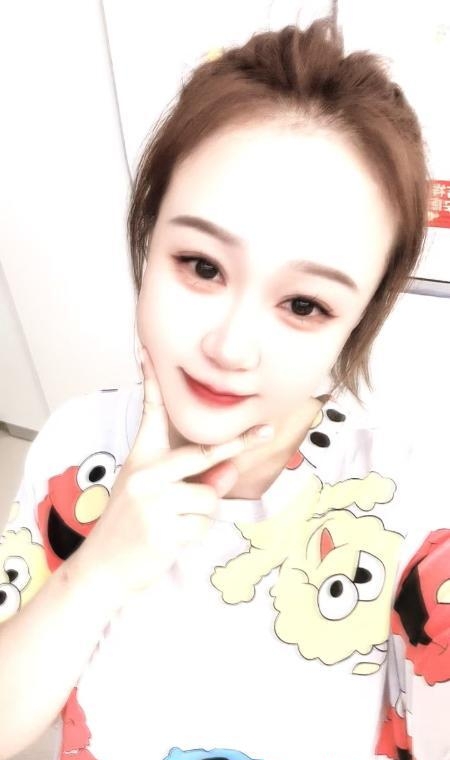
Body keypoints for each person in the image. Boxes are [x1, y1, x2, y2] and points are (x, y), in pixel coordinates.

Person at [0, 14, 445, 760]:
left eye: (303, 305)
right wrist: (97, 571)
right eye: (202, 266)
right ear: (149, 237)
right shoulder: (76, 450)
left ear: (358, 322)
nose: (229, 348)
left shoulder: (404, 497)